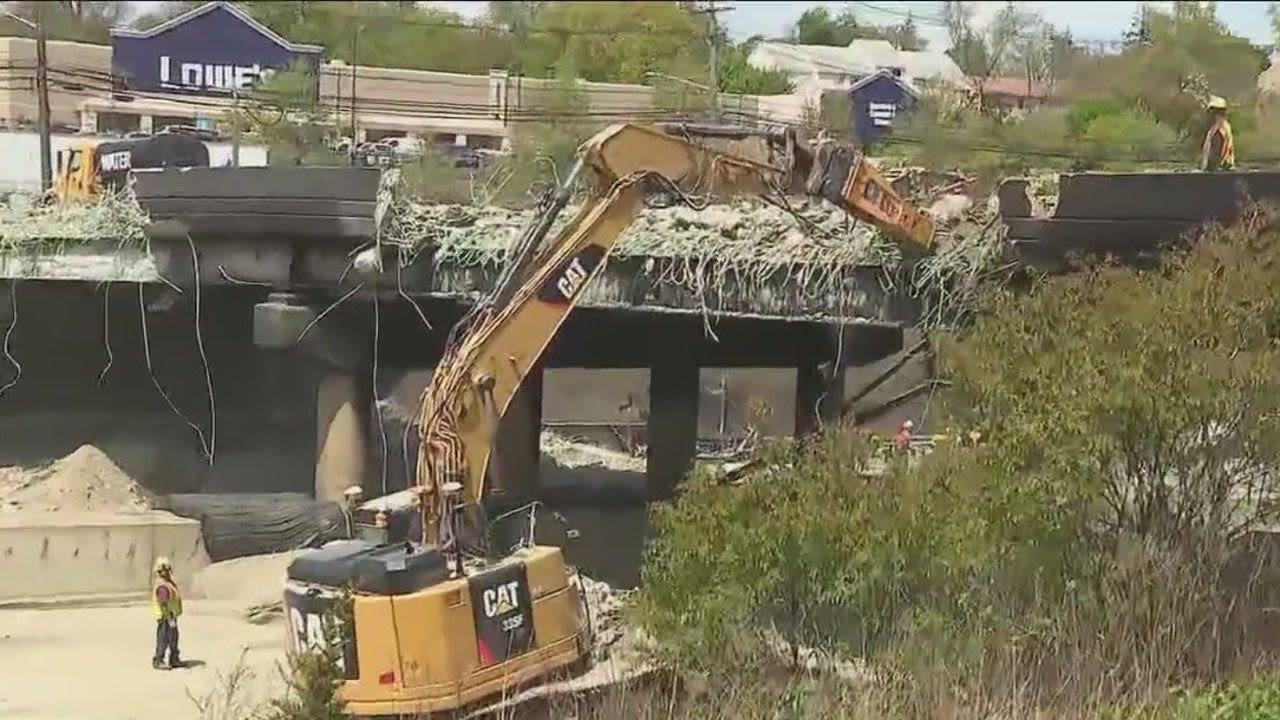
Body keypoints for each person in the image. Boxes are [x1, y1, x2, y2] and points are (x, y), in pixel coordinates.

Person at [151, 556, 183, 670]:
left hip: (171, 615)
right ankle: (159, 659)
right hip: (166, 616)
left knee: (173, 637)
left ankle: (174, 658)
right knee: (163, 638)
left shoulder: (168, 583)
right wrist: (168, 615)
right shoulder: (162, 585)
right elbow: (162, 602)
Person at [1201, 96, 1235, 172]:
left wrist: (1209, 168)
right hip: (1223, 170)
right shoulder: (1225, 127)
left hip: (1217, 172)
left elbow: (1215, 153)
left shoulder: (1218, 131)